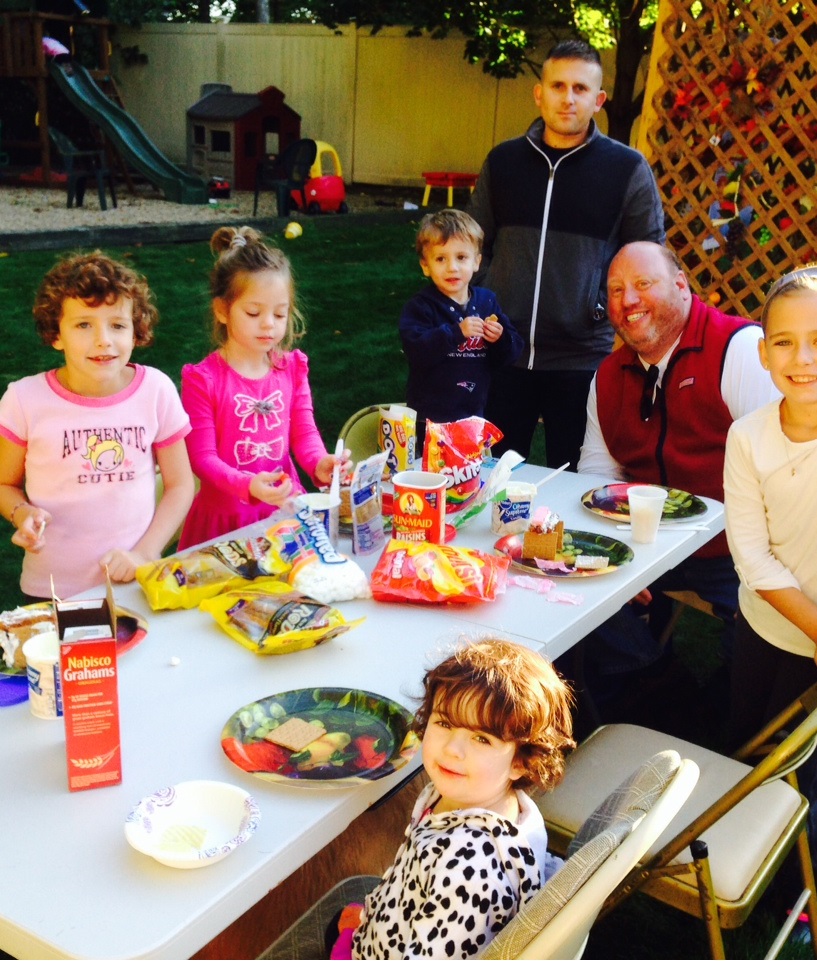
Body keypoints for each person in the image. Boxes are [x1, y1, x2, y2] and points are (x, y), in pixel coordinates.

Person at [576, 240, 780, 684]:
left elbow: (781, 473)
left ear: (682, 286)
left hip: (734, 549)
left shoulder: (738, 350)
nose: (628, 300)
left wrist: (763, 566)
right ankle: (654, 681)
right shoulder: (608, 377)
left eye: (643, 284)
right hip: (646, 545)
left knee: (763, 632)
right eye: (616, 290)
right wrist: (611, 557)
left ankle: (722, 710)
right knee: (566, 586)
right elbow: (595, 478)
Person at [468, 38, 665, 470]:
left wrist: (600, 306)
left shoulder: (626, 169)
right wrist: (488, 300)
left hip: (582, 358)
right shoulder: (503, 162)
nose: (568, 98)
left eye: (580, 88)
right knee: (492, 477)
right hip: (503, 350)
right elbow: (472, 245)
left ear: (598, 100)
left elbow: (649, 257)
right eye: (558, 86)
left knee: (576, 480)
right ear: (539, 93)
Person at [330, 637, 575, 960]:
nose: (452, 750)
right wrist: (372, 916)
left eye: (481, 739)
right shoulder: (479, 798)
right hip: (394, 922)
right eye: (444, 723)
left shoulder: (468, 873)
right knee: (337, 923)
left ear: (521, 761)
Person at [0, 251, 195, 602]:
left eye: (117, 325)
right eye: (83, 325)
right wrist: (21, 512)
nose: (103, 339)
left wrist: (145, 553)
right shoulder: (23, 400)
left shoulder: (156, 390)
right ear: (55, 334)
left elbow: (181, 485)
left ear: (136, 332)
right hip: (51, 589)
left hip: (137, 581)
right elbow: (4, 484)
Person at [178, 226, 347, 549]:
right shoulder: (203, 379)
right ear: (222, 310)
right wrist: (247, 485)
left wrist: (320, 462)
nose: (269, 323)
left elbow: (304, 434)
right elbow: (202, 458)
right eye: (254, 312)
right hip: (225, 521)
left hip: (284, 514)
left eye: (280, 314)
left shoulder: (292, 368)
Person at [725, 266, 817, 747]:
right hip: (762, 625)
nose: (803, 358)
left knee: (795, 763)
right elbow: (752, 555)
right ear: (763, 353)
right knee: (744, 739)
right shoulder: (746, 437)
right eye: (784, 342)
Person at [399, 209, 523, 451]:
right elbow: (416, 349)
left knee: (469, 472)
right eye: (440, 259)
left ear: (477, 262)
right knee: (433, 471)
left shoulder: (487, 302)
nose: (452, 267)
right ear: (425, 265)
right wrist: (456, 333)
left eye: (461, 257)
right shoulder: (421, 307)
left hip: (473, 417)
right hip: (430, 419)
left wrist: (500, 338)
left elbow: (511, 353)